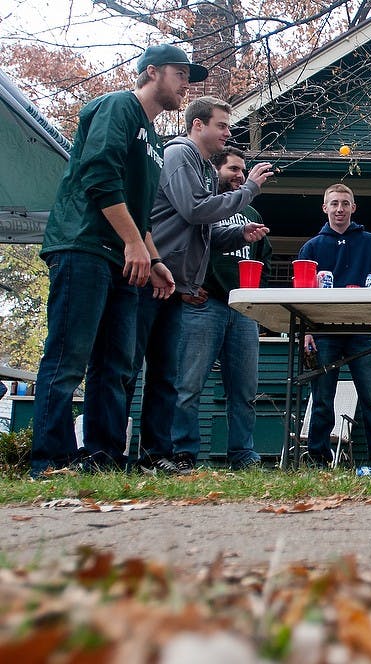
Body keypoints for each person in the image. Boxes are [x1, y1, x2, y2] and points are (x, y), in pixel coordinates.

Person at [29, 44, 203, 477]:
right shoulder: (117, 105)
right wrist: (132, 244)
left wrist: (154, 257)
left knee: (116, 363)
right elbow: (100, 175)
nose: (186, 83)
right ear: (150, 72)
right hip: (84, 246)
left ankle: (102, 457)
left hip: (127, 258)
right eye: (179, 73)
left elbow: (140, 209)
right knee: (69, 355)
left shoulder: (156, 141)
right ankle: (51, 460)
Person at [129, 96, 272, 475]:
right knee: (162, 378)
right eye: (222, 126)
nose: (228, 133)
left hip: (183, 287)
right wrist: (251, 188)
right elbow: (195, 210)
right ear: (197, 125)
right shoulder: (179, 154)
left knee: (168, 377)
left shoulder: (204, 170)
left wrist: (241, 232)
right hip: (159, 278)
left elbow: (204, 229)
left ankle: (165, 456)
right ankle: (167, 452)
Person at [172, 147, 272, 471]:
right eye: (233, 169)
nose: (240, 176)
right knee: (190, 385)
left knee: (244, 390)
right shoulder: (205, 205)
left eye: (243, 171)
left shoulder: (253, 215)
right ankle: (184, 453)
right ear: (216, 170)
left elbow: (265, 261)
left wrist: (258, 301)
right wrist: (184, 285)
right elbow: (182, 246)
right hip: (206, 305)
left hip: (243, 311)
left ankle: (242, 454)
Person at [298, 184, 371, 474]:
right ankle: (318, 460)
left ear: (353, 208)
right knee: (322, 399)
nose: (339, 209)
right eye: (334, 203)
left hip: (361, 330)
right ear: (325, 208)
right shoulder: (312, 247)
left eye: (345, 203)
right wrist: (307, 332)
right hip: (324, 332)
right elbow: (302, 295)